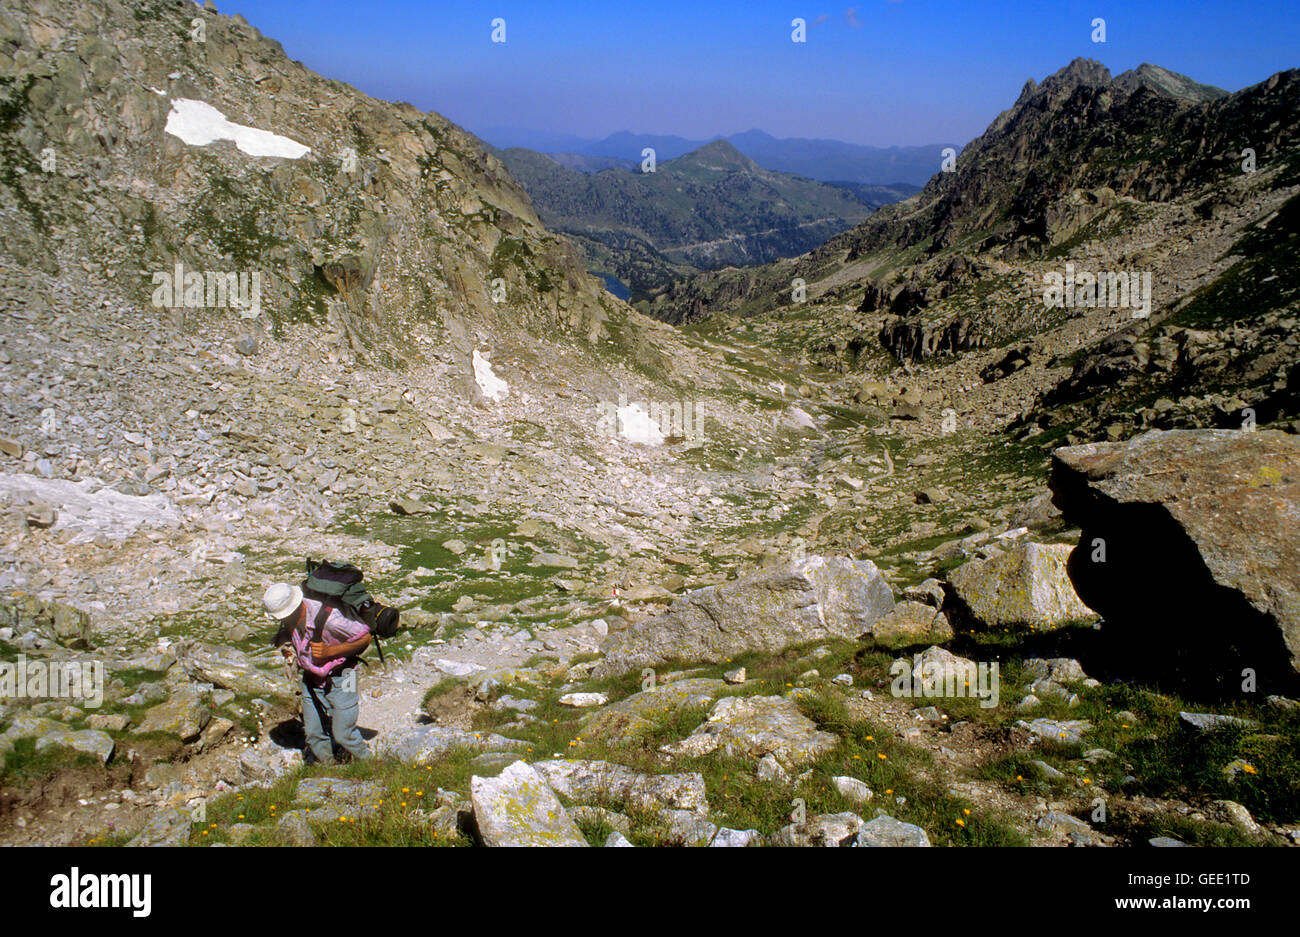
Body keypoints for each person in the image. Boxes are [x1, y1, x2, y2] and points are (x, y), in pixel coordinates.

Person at [262, 582, 371, 763]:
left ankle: (374, 765)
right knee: (313, 734)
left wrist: (330, 652)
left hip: (345, 674)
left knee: (344, 734)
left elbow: (365, 638)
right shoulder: (291, 620)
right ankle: (330, 771)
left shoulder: (331, 620)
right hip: (311, 677)